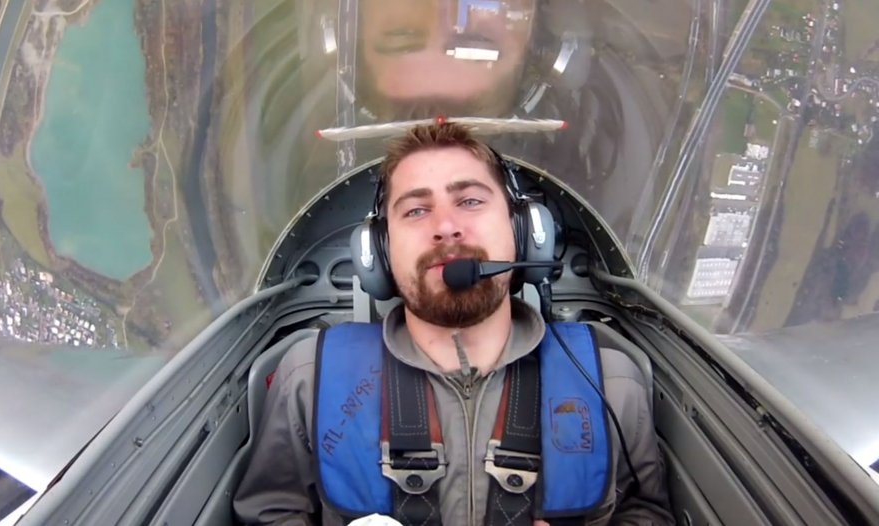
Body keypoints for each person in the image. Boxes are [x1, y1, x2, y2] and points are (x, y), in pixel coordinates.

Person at [233, 121, 673, 525]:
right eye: (416, 210)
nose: (446, 227)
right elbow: (268, 515)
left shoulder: (611, 384)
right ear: (379, 251)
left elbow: (647, 513)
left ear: (524, 231)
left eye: (470, 201)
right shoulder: (310, 379)